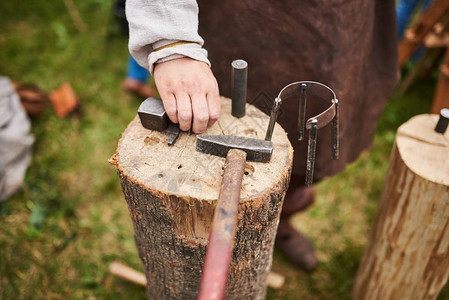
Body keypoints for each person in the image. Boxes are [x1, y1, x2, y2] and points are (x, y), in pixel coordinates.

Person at [126, 0, 399, 271]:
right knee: (212, 125)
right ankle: (201, 233)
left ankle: (279, 219)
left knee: (312, 151)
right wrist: (172, 43)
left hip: (344, 21)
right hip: (243, 19)